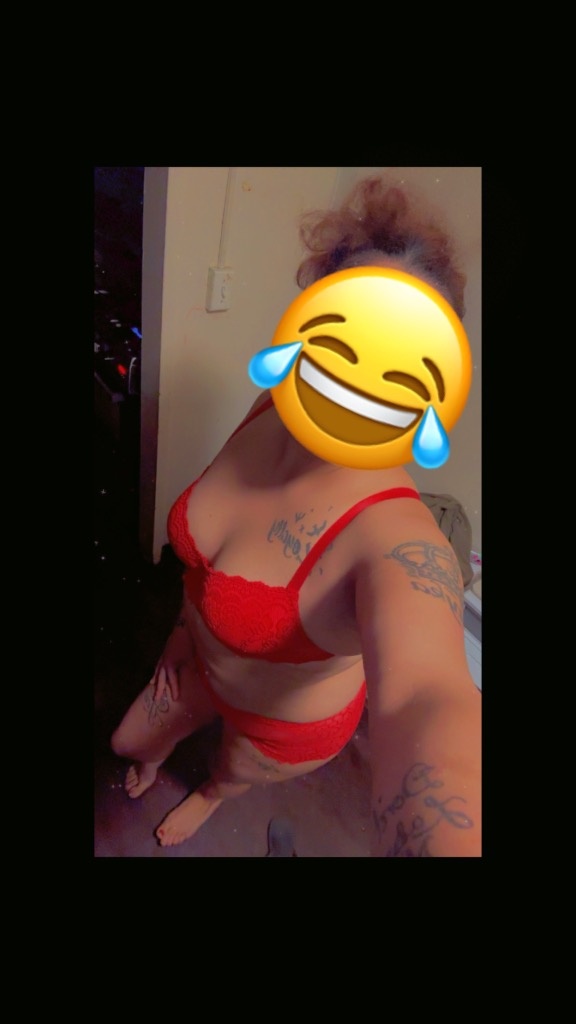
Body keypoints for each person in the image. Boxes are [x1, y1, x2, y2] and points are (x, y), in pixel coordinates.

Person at [110, 176, 481, 857]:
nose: (364, 372)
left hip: (279, 730)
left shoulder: (398, 537)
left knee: (227, 772)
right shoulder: (274, 405)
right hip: (195, 652)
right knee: (127, 741)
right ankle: (170, 754)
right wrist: (184, 635)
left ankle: (213, 794)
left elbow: (428, 698)